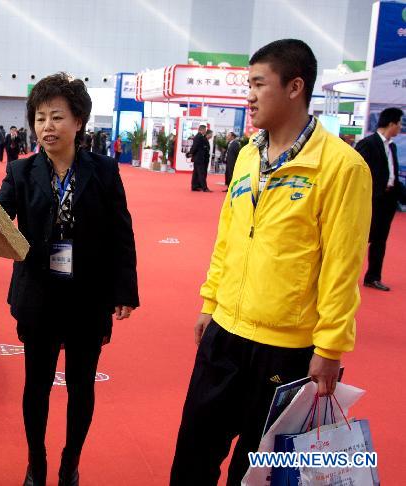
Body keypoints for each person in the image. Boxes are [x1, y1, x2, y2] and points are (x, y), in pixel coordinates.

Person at [170, 39, 372, 486]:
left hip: (288, 349)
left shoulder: (341, 168)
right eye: (249, 84)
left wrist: (330, 347)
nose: (249, 95)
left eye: (259, 84)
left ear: (295, 87)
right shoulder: (246, 155)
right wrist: (210, 302)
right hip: (224, 336)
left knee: (258, 472)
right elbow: (228, 237)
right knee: (192, 457)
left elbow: (343, 267)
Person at [0, 72, 139, 486]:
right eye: (39, 118)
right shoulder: (21, 173)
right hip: (38, 295)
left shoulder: (104, 170)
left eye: (56, 117)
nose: (47, 127)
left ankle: (69, 463)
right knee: (36, 386)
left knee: (81, 387)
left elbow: (120, 232)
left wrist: (125, 289)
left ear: (79, 121)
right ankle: (35, 463)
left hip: (87, 298)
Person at [356, 107, 403, 291]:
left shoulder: (392, 146)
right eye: (399, 124)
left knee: (380, 240)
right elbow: (357, 171)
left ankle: (373, 277)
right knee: (360, 240)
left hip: (388, 200)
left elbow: (393, 174)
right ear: (391, 124)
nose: (400, 128)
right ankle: (344, 277)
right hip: (371, 200)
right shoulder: (368, 143)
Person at [188, 125, 209, 191]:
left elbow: (195, 147)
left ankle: (194, 186)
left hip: (198, 158)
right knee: (201, 173)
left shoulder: (199, 136)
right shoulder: (199, 137)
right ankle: (204, 188)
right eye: (205, 130)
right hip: (199, 158)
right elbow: (195, 147)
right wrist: (190, 153)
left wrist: (191, 153)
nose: (206, 131)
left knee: (196, 173)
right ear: (202, 130)